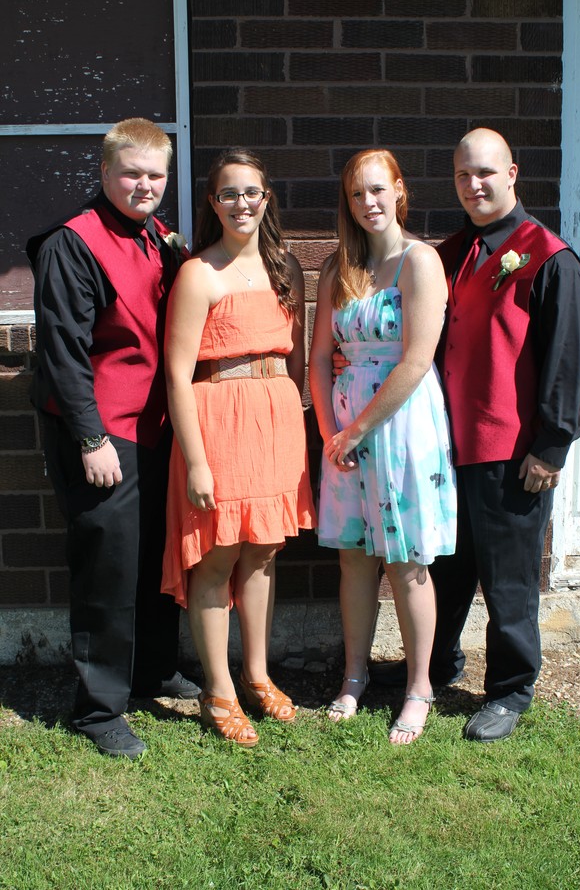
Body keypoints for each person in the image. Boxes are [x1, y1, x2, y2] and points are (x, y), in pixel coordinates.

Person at [372, 128, 580, 742]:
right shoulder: (449, 254)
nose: (474, 185)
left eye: (486, 173)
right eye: (463, 175)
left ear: (513, 173)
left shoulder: (548, 256)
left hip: (512, 450)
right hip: (446, 444)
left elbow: (568, 359)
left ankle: (511, 688)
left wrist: (552, 446)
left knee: (508, 579)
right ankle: (436, 663)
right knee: (445, 567)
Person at [27, 118, 200, 759]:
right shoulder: (73, 244)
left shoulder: (158, 238)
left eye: (156, 175)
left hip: (155, 425)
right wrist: (89, 438)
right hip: (102, 432)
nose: (144, 185)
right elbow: (64, 351)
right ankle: (99, 708)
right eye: (131, 174)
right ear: (104, 173)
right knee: (109, 567)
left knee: (153, 556)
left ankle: (154, 670)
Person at [161, 148, 316, 748]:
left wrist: (292, 421)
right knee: (218, 555)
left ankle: (257, 675)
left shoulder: (287, 268)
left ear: (266, 197)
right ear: (213, 202)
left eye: (251, 192)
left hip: (274, 422)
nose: (241, 203)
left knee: (263, 553)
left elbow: (296, 361)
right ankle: (218, 691)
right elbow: (178, 376)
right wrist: (197, 460)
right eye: (229, 193)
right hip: (218, 423)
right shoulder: (199, 273)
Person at [309, 149, 456, 745]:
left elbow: (417, 359)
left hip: (401, 421)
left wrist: (359, 429)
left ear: (399, 190)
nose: (367, 202)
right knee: (354, 556)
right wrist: (331, 433)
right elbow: (320, 358)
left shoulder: (421, 262)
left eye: (376, 189)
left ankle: (419, 687)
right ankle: (355, 675)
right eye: (356, 193)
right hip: (344, 427)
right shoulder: (337, 268)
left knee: (406, 559)